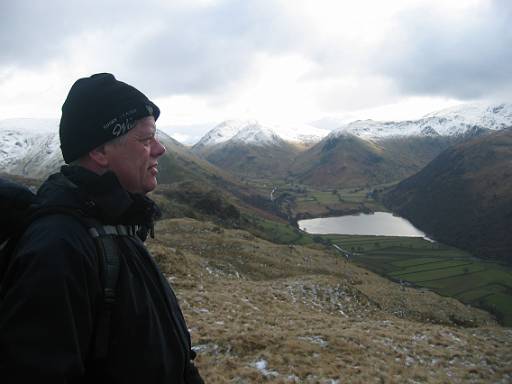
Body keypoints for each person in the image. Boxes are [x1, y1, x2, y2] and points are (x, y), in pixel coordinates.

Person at [0, 73, 204, 383]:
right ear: (99, 152)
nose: (160, 149)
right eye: (146, 139)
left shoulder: (117, 225)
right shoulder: (59, 248)